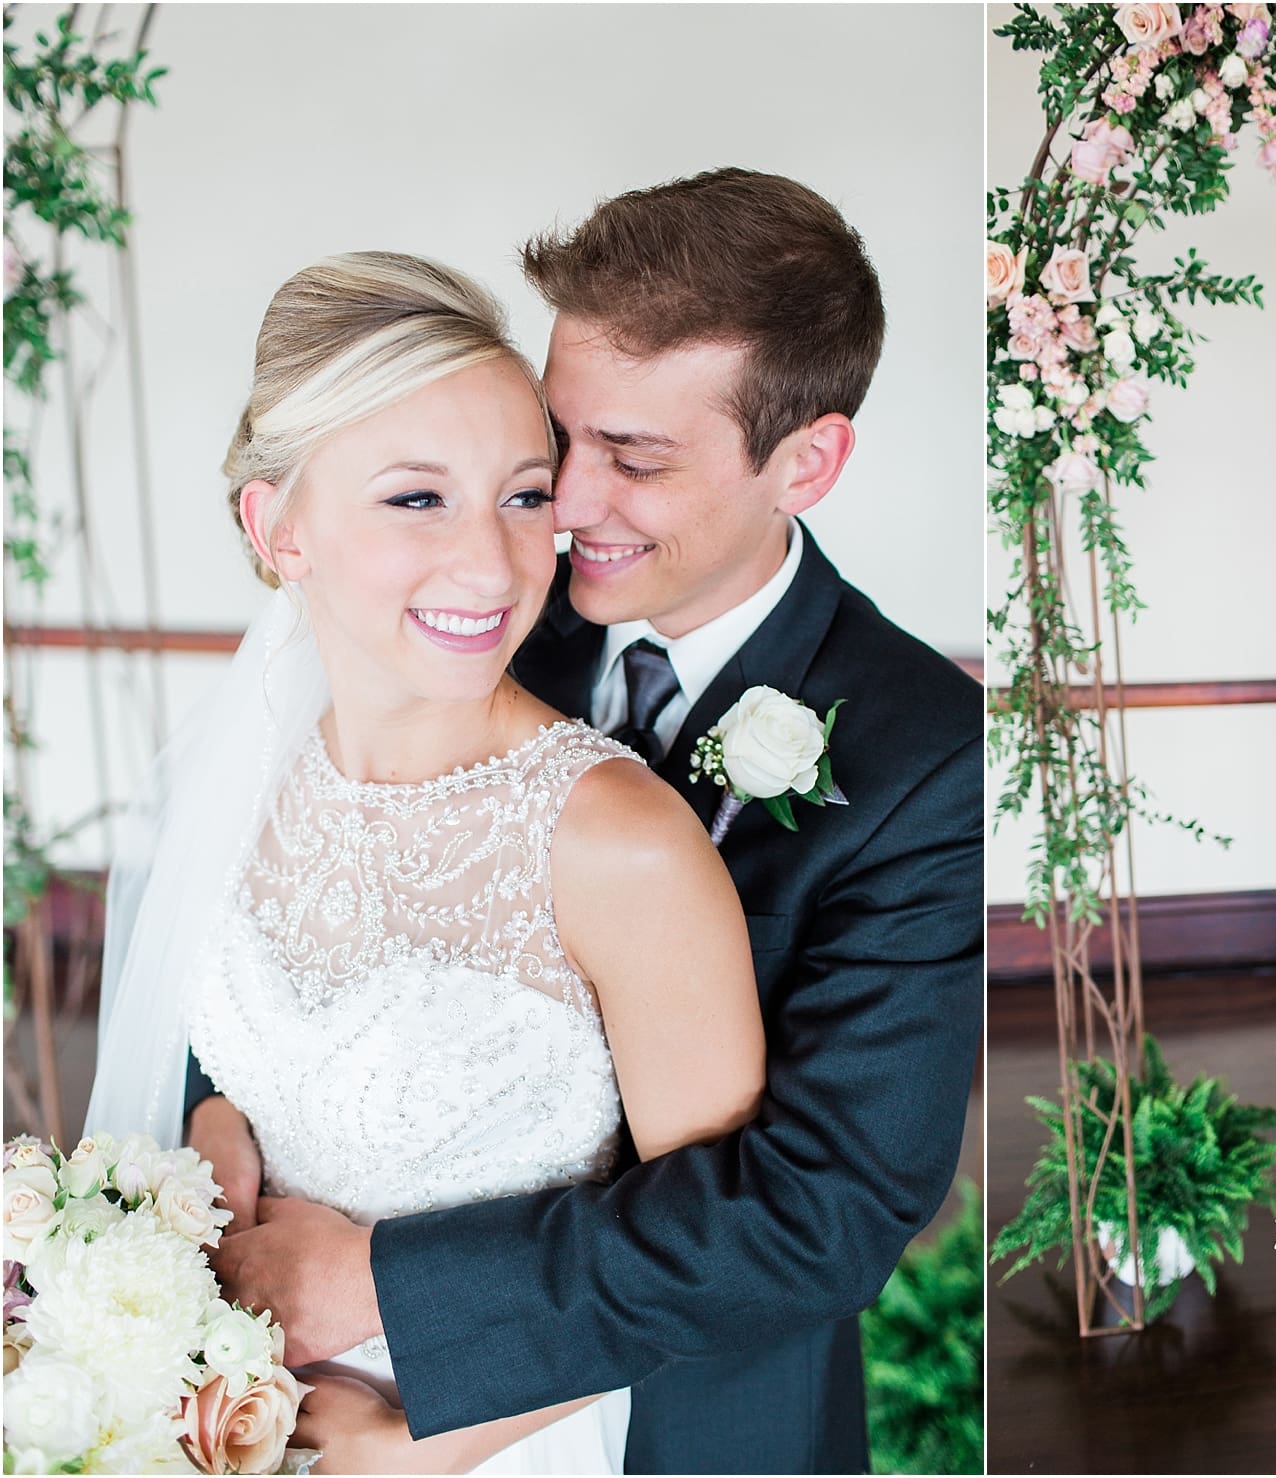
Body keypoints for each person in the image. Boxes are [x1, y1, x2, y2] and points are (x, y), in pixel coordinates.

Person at [194, 171, 984, 1474]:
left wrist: (385, 1291)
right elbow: (304, 936)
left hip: (684, 1423)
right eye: (561, 438)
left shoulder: (925, 760)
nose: (561, 505)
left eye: (639, 457)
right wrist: (219, 1118)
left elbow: (817, 1216)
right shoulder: (465, 615)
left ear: (806, 460)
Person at [87, 251, 766, 1473]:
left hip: (496, 1435)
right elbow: (247, 1058)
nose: (494, 562)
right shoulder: (236, 779)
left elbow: (713, 1253)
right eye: (417, 498)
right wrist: (218, 1133)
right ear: (276, 526)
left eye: (520, 495)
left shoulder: (619, 843)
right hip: (228, 1415)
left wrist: (413, 1442)